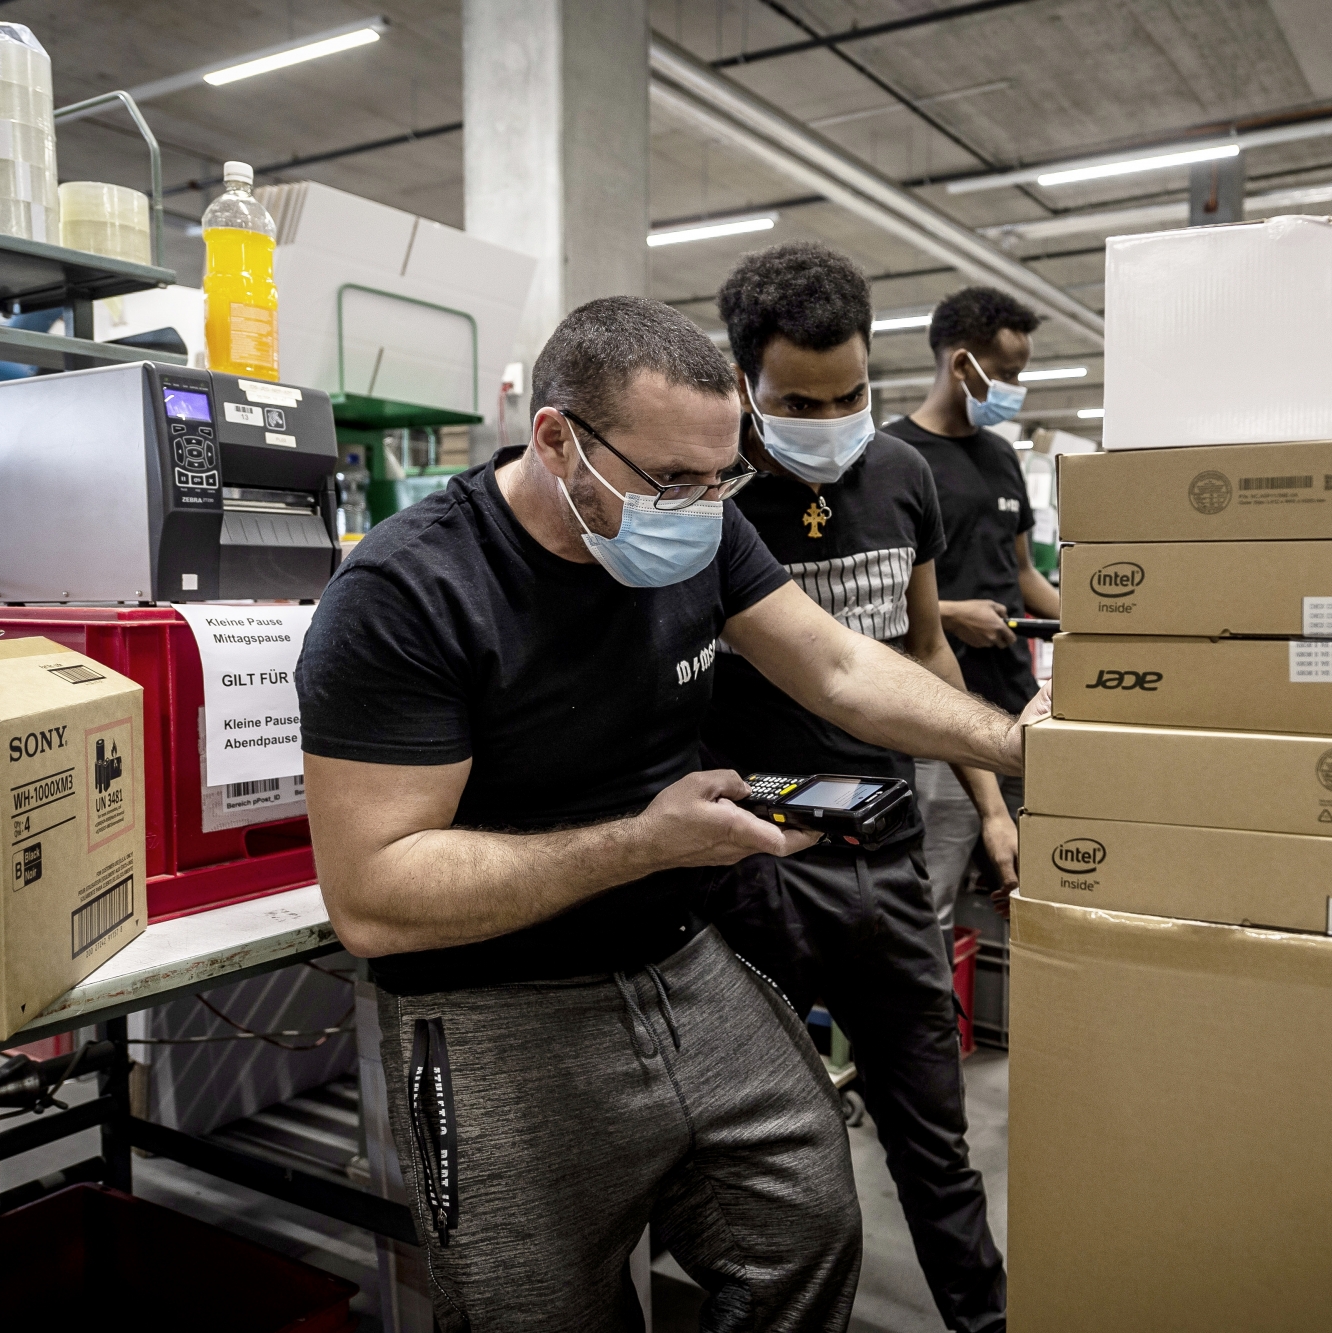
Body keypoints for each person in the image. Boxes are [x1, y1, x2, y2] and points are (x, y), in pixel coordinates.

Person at [296, 296, 1045, 1333]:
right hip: (496, 1003)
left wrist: (1018, 747)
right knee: (540, 1307)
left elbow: (832, 665)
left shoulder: (702, 526)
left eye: (718, 477)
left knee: (806, 1223)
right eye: (670, 481)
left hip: (682, 958)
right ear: (556, 437)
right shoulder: (408, 591)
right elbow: (375, 896)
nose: (699, 508)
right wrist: (646, 842)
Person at [700, 242, 1014, 1333]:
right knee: (766, 1167)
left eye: (849, 395)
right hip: (750, 871)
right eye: (797, 400)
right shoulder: (699, 498)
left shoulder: (902, 477)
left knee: (934, 1138)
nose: (827, 418)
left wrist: (989, 802)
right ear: (744, 384)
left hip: (883, 862)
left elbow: (927, 657)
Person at [882, 288, 1060, 928]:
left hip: (1015, 708)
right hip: (934, 722)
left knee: (1031, 898)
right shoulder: (893, 461)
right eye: (1007, 374)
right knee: (927, 909)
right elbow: (878, 601)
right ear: (963, 365)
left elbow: (1021, 575)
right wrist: (954, 614)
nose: (1016, 390)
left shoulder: (1002, 457)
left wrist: (1100, 623)